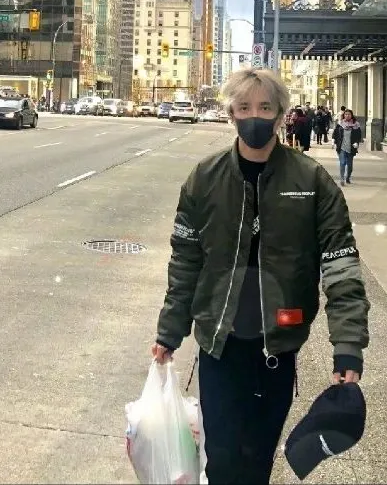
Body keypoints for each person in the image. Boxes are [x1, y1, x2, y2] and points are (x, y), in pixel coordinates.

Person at [152, 68, 369, 485]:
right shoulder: (204, 179)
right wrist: (169, 331)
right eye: (245, 106)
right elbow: (185, 262)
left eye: (265, 107)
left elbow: (342, 266)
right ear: (231, 112)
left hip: (277, 351)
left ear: (281, 113)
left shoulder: (311, 181)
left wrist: (347, 347)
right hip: (220, 349)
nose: (255, 116)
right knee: (221, 457)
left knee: (257, 461)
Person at [332, 109, 362, 186]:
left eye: (349, 114)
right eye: (346, 114)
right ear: (343, 115)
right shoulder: (340, 124)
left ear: (351, 115)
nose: (347, 115)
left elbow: (359, 136)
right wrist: (333, 141)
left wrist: (357, 143)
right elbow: (335, 133)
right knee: (342, 163)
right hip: (342, 147)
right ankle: (342, 179)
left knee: (350, 166)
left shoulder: (356, 124)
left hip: (351, 147)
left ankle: (347, 177)